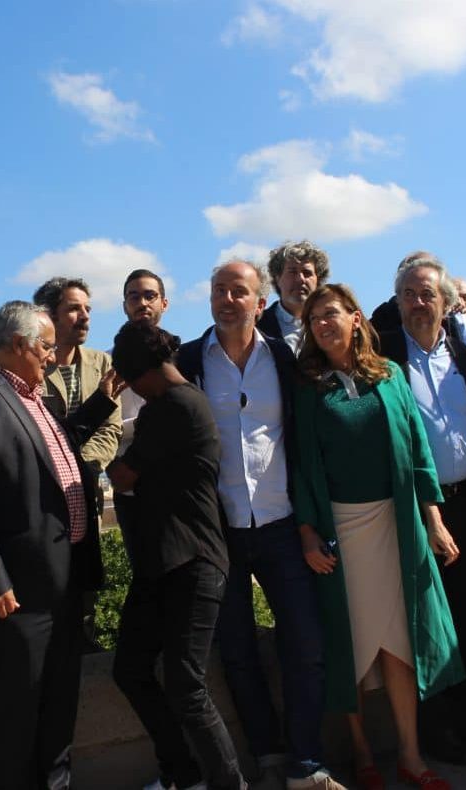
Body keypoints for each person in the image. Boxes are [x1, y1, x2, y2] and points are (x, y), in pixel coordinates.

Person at [175, 260, 343, 790]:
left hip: (282, 525)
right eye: (218, 290)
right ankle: (269, 753)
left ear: (260, 303)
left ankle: (306, 762)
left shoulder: (288, 362)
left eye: (238, 291)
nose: (226, 299)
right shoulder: (187, 362)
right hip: (218, 532)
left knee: (307, 646)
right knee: (238, 652)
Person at [0, 301, 118, 790]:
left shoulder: (42, 399)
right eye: (46, 346)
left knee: (59, 705)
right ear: (19, 345)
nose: (54, 357)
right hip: (16, 594)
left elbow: (56, 450)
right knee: (19, 713)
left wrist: (101, 400)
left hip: (65, 584)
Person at [292, 283, 463, 790]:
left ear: (356, 318)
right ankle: (364, 757)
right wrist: (306, 533)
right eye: (314, 319)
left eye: (331, 314)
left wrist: (434, 518)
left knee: (399, 645)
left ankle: (411, 757)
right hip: (339, 534)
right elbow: (301, 467)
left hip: (396, 525)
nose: (323, 324)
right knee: (354, 647)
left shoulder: (389, 377)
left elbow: (417, 451)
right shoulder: (306, 386)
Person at [375, 257, 466, 765]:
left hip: (465, 502)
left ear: (447, 302)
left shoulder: (464, 353)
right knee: (424, 622)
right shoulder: (383, 352)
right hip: (410, 507)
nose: (417, 303)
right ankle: (435, 732)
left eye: (427, 294)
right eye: (408, 293)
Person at [107, 320, 244, 790]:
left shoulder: (175, 406)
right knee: (130, 668)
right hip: (165, 564)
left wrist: (110, 452)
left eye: (130, 381)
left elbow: (123, 476)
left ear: (139, 372)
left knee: (187, 688)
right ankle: (182, 775)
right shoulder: (179, 403)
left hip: (192, 562)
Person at [33, 276, 124, 649]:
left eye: (87, 308)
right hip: (42, 494)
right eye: (73, 308)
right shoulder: (32, 364)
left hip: (84, 488)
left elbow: (110, 428)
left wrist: (81, 465)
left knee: (84, 580)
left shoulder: (104, 363)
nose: (84, 316)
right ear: (49, 315)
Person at [112, 268, 171, 553]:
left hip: (176, 488)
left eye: (150, 296)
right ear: (125, 305)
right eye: (134, 297)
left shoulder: (181, 356)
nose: (142, 303)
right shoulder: (110, 363)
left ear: (164, 303)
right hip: (130, 487)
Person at [257, 240, 330, 352]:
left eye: (307, 273)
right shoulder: (256, 326)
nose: (300, 279)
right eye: (292, 272)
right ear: (277, 278)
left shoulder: (330, 326)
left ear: (318, 280)